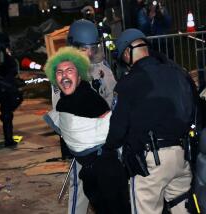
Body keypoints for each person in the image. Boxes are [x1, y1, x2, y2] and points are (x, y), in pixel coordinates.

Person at [103, 28, 196, 214]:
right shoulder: (177, 72)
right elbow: (195, 110)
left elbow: (118, 128)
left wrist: (109, 147)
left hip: (152, 162)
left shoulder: (129, 83)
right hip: (182, 155)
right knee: (182, 207)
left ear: (128, 53)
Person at [44, 46, 130, 214]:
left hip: (108, 172)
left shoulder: (89, 98)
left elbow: (112, 127)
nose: (64, 76)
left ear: (79, 74)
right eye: (60, 72)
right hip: (90, 173)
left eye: (69, 70)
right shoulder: (63, 102)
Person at [67, 18, 117, 214]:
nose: (89, 53)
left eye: (92, 47)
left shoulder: (101, 69)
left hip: (104, 140)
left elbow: (112, 98)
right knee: (79, 191)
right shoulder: (65, 72)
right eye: (83, 49)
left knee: (107, 191)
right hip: (82, 142)